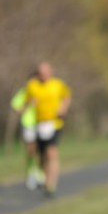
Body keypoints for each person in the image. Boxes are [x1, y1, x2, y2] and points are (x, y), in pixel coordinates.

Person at [22, 61, 71, 197]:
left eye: (45, 72)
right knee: (42, 155)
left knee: (52, 153)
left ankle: (51, 184)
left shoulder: (58, 85)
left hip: (54, 123)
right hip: (39, 124)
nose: (42, 75)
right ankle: (44, 177)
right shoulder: (32, 85)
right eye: (40, 73)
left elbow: (66, 97)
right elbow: (25, 101)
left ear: (51, 72)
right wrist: (26, 107)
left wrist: (63, 109)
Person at [10, 74, 44, 190]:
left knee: (41, 150)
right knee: (31, 150)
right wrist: (29, 103)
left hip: (42, 123)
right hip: (28, 124)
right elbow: (16, 107)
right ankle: (31, 173)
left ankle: (40, 172)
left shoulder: (42, 91)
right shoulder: (24, 93)